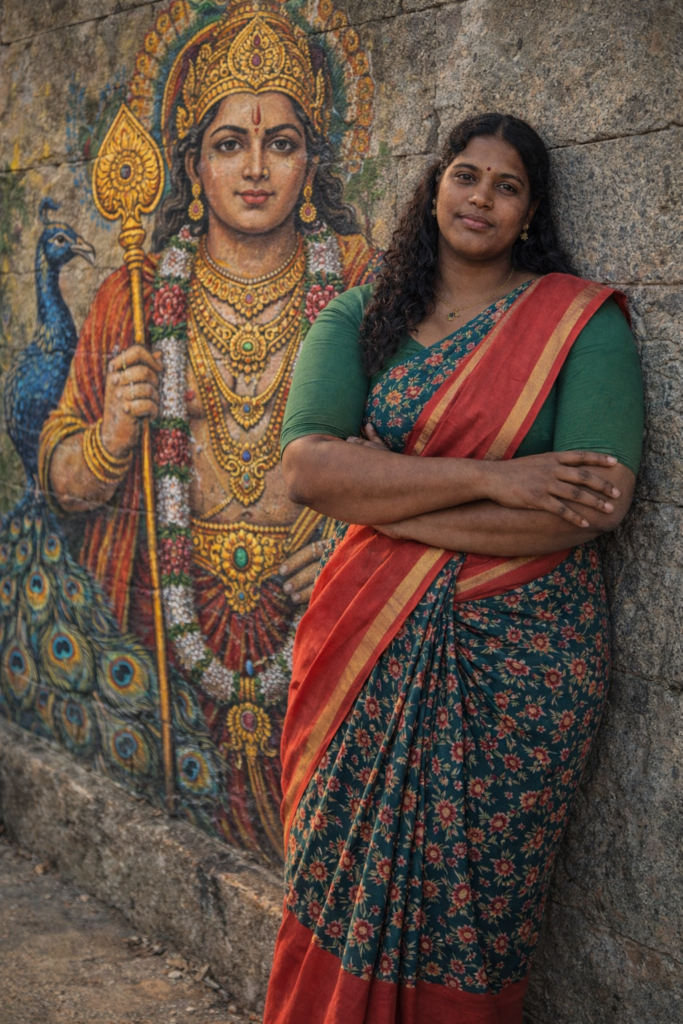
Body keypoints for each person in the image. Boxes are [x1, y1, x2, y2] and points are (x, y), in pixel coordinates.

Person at [264, 113, 644, 1023]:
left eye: (505, 186)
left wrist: (385, 490)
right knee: (335, 865)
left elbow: (591, 509)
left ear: (529, 212)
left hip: (524, 660)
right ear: (433, 187)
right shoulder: (361, 315)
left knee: (476, 903)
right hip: (364, 642)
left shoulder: (575, 322)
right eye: (465, 176)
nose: (480, 197)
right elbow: (306, 470)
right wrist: (495, 478)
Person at [38, 1, 379, 856]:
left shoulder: (363, 286)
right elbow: (60, 482)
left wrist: (353, 521)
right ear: (192, 165)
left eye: (282, 143)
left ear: (313, 163)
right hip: (165, 627)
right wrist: (114, 430)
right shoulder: (134, 294)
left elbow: (420, 445)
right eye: (230, 143)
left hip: (319, 604)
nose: (256, 168)